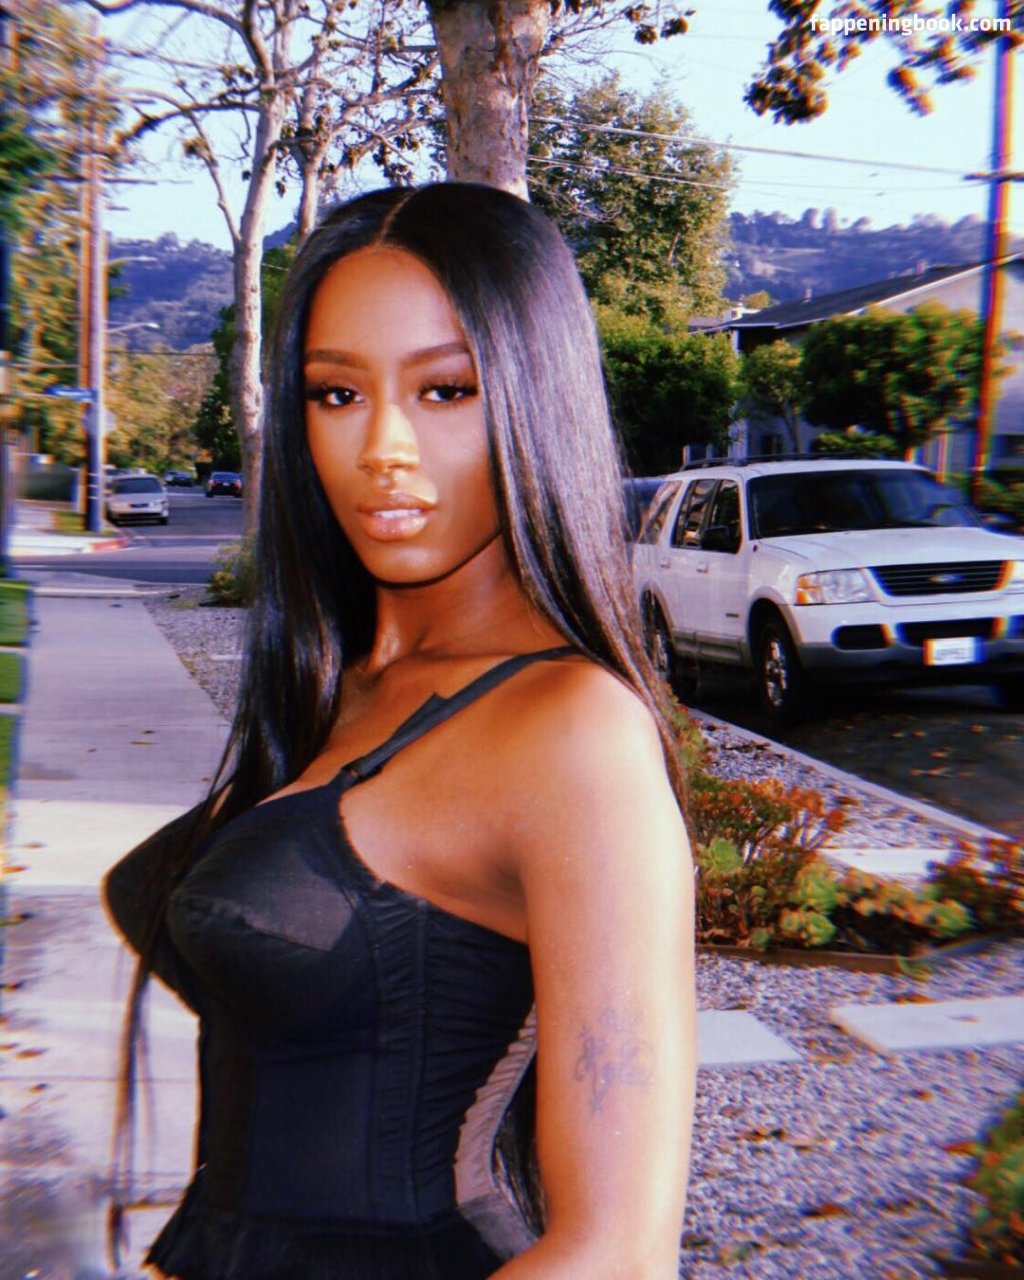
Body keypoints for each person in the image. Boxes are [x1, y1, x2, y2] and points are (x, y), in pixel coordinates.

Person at [105, 181, 696, 1280]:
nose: (382, 445)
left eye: (445, 389)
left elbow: (616, 1252)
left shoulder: (569, 730)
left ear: (536, 398)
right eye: (337, 393)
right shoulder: (348, 680)